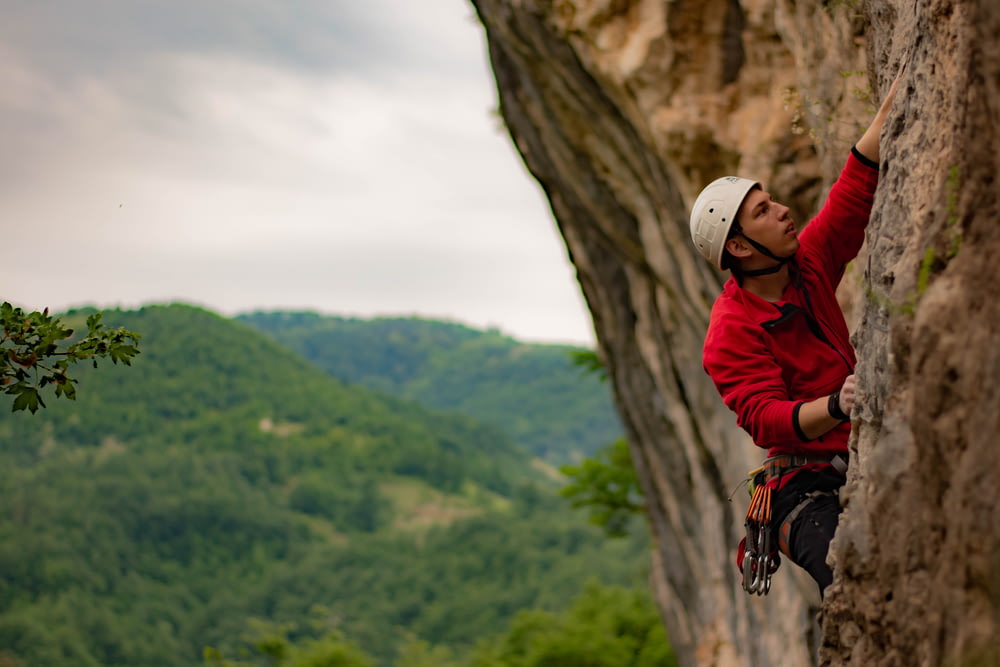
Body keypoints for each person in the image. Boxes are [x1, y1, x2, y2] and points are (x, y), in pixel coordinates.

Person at [688, 70, 902, 596]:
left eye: (771, 200)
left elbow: (850, 198)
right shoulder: (731, 330)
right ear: (739, 247)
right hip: (801, 487)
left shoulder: (805, 267)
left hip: (851, 452)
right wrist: (837, 403)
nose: (782, 210)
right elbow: (766, 419)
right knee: (856, 584)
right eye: (762, 211)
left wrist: (897, 95)